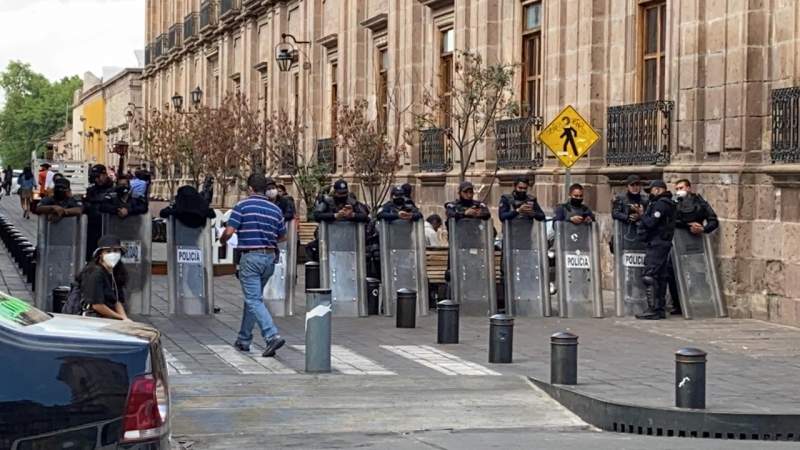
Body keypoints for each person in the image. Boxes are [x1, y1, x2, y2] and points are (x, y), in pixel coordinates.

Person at [219, 174, 287, 358]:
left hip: (251, 257)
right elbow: (283, 236)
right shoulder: (275, 209)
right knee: (253, 298)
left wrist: (223, 239)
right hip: (269, 258)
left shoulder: (242, 206)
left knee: (253, 300)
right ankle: (244, 339)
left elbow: (230, 230)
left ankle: (271, 335)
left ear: (250, 188)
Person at [668, 178, 720, 315]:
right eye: (677, 189)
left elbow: (713, 220)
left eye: (681, 188)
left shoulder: (699, 202)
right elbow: (670, 220)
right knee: (673, 272)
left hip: (696, 242)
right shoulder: (673, 202)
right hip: (678, 241)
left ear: (689, 188)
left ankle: (702, 300)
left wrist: (703, 229)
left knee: (698, 272)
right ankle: (677, 304)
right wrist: (688, 225)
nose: (679, 191)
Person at [635, 180, 676, 320]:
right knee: (660, 276)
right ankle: (659, 308)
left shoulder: (661, 204)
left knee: (650, 275)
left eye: (651, 190)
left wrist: (642, 215)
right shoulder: (666, 203)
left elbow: (652, 222)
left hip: (658, 243)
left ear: (658, 190)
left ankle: (653, 308)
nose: (650, 194)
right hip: (662, 243)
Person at [78, 234, 131, 320]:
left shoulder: (115, 272)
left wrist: (125, 318)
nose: (113, 254)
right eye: (108, 251)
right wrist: (121, 318)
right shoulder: (95, 273)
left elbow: (117, 301)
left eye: (116, 251)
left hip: (109, 317)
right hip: (93, 318)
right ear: (100, 254)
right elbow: (97, 305)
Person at [83, 164, 115, 260]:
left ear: (105, 175)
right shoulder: (91, 190)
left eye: (98, 177)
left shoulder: (113, 189)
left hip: (109, 228)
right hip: (92, 228)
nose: (97, 180)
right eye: (94, 177)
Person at [611, 175, 648, 251]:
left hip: (641, 235)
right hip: (624, 234)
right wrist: (627, 217)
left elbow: (650, 216)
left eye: (637, 185)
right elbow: (615, 213)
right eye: (632, 185)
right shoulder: (621, 198)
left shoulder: (645, 199)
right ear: (627, 186)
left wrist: (640, 215)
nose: (635, 187)